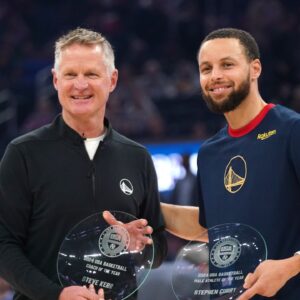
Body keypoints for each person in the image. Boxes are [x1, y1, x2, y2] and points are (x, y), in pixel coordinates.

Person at [0, 28, 167, 300]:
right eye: (70, 74)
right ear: (55, 80)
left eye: (91, 74)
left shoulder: (137, 157)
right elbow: (3, 245)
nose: (80, 85)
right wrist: (56, 295)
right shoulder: (23, 153)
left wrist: (139, 245)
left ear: (112, 80)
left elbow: (158, 247)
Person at [161, 28, 300, 299]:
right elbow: (210, 226)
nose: (215, 76)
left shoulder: (291, 131)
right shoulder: (210, 152)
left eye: (227, 64)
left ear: (255, 68)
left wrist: (291, 266)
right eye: (206, 68)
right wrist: (144, 207)